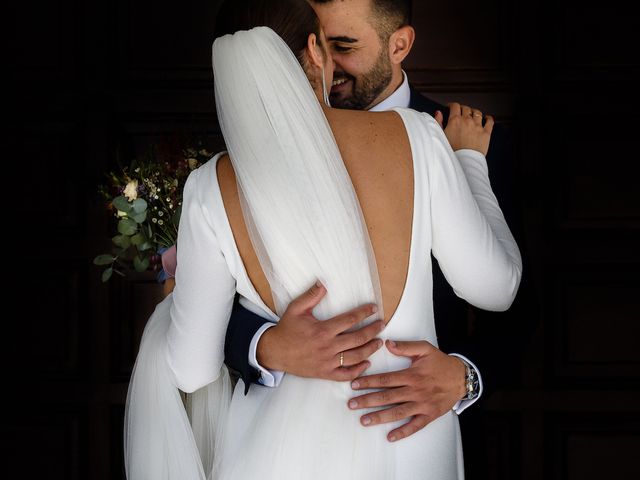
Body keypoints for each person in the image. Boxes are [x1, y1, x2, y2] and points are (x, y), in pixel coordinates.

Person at [124, 0, 521, 478]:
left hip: (274, 456)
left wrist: (178, 300)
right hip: (409, 445)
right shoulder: (421, 138)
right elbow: (496, 290)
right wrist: (469, 163)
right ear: (314, 49)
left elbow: (190, 371)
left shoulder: (211, 184)